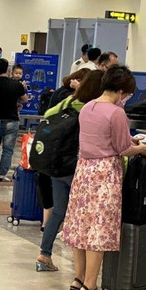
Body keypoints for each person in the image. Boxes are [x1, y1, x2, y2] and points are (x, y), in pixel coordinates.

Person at [61, 66, 146, 290]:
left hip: (84, 171)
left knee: (81, 227)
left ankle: (78, 279)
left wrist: (125, 140)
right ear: (121, 89)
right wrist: (140, 147)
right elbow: (123, 148)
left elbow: (102, 137)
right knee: (99, 230)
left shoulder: (88, 106)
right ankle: (91, 286)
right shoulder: (116, 113)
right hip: (105, 175)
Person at [36, 70, 105, 272]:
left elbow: (48, 116)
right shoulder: (92, 108)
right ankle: (82, 269)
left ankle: (44, 254)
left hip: (57, 164)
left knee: (58, 211)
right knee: (82, 215)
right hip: (77, 166)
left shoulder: (69, 102)